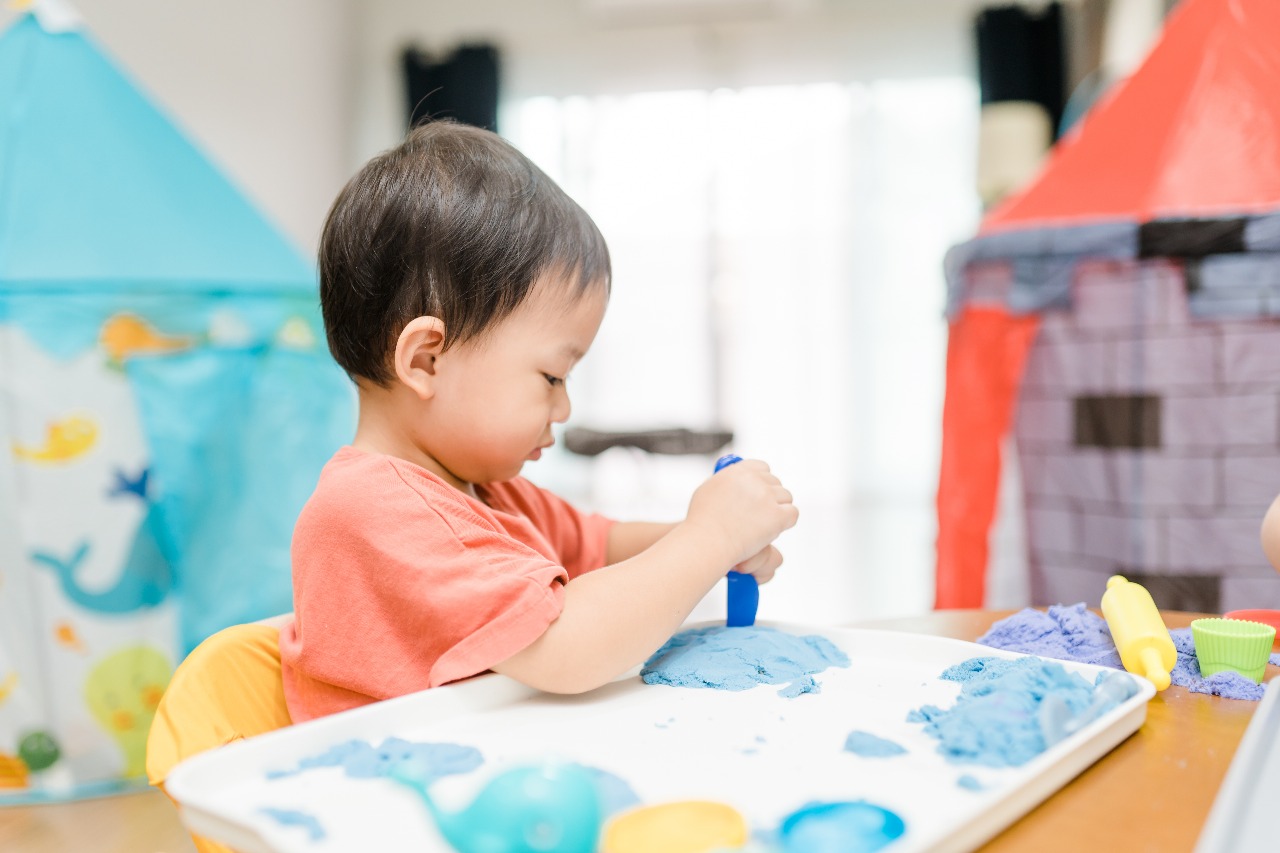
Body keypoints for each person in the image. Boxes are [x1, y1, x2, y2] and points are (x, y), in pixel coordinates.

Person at [277, 121, 798, 722]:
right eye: (552, 377)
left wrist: (717, 540)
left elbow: (601, 548)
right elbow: (567, 647)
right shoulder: (370, 513)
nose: (565, 407)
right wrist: (712, 538)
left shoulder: (487, 494)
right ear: (426, 359)